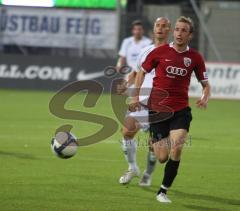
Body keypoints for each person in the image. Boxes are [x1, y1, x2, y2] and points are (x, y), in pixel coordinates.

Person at [130, 16, 211, 203]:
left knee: (177, 148)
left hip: (181, 110)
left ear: (190, 35)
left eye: (184, 30)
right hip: (158, 110)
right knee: (162, 157)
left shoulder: (195, 58)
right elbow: (141, 71)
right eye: (177, 29)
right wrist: (135, 95)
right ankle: (153, 140)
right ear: (173, 32)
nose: (179, 33)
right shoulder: (160, 52)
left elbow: (205, 84)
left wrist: (204, 97)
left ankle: (162, 191)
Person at [118, 18, 171, 185]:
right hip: (142, 99)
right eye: (157, 25)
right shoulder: (145, 51)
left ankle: (148, 172)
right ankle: (132, 167)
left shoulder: (175, 52)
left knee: (155, 148)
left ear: (169, 30)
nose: (160, 28)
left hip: (162, 104)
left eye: (164, 26)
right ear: (154, 29)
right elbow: (136, 72)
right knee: (127, 132)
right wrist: (127, 85)